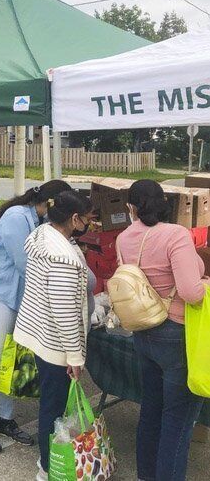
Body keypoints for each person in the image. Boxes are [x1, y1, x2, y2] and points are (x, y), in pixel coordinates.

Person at [0, 179, 71, 452]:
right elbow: (27, 263)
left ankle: (4, 418)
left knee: (12, 361)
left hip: (22, 300)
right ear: (49, 203)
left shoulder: (38, 221)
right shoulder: (16, 217)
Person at [115, 180, 208, 481]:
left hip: (143, 330)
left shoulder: (123, 238)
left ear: (131, 207)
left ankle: (146, 475)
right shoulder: (176, 235)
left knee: (151, 411)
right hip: (175, 333)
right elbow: (191, 293)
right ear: (165, 203)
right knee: (178, 420)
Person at [13, 190, 95, 479]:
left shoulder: (43, 234)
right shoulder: (62, 257)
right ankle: (48, 467)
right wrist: (74, 356)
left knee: (51, 402)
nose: (88, 225)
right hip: (54, 342)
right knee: (54, 407)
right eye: (86, 220)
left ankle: (46, 461)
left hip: (39, 332)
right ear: (73, 219)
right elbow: (64, 311)